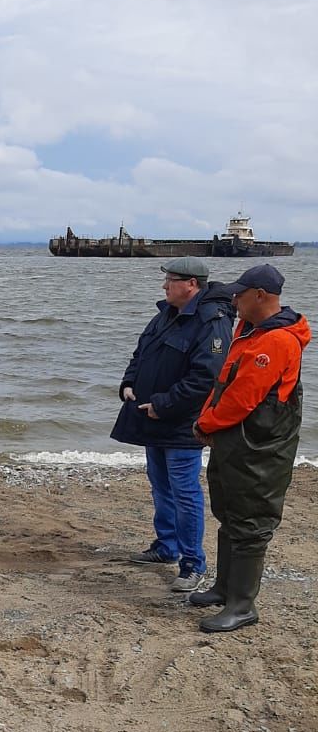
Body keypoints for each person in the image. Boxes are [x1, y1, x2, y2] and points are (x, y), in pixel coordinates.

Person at [190, 264, 311, 633]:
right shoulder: (250, 331)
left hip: (261, 446)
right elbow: (226, 381)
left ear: (261, 296)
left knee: (250, 520)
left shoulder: (275, 341)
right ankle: (226, 587)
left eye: (241, 293)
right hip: (239, 440)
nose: (234, 299)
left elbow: (244, 398)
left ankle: (242, 605)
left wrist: (207, 423)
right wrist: (208, 416)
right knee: (231, 511)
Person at [111, 257, 234, 591]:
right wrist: (128, 382)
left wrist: (164, 405)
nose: (164, 285)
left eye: (170, 280)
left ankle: (193, 564)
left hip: (182, 424)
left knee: (185, 492)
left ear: (191, 284)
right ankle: (167, 546)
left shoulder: (212, 322)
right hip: (152, 418)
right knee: (160, 485)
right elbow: (140, 354)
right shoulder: (165, 314)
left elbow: (205, 379)